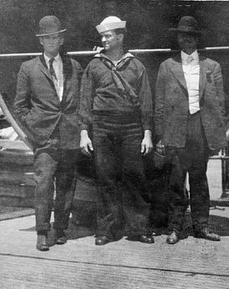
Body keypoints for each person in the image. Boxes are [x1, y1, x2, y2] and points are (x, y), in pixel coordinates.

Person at [78, 16, 154, 246]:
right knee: (106, 179)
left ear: (120, 37)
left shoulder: (136, 66)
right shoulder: (94, 65)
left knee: (134, 178)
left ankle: (138, 228)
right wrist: (84, 132)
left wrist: (147, 133)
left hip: (131, 128)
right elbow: (85, 100)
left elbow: (146, 101)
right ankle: (106, 230)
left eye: (108, 36)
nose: (103, 39)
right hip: (102, 128)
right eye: (102, 36)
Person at [154, 16, 226, 244]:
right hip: (176, 131)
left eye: (191, 36)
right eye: (183, 36)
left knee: (199, 180)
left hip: (200, 130)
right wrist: (161, 136)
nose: (187, 40)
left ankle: (201, 226)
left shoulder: (211, 67)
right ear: (178, 38)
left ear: (197, 39)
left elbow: (220, 104)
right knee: (176, 181)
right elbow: (160, 105)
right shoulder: (168, 66)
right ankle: (175, 227)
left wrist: (216, 133)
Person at [14, 15, 82, 251]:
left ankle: (60, 229)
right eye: (47, 38)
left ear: (61, 39)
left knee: (66, 184)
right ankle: (42, 232)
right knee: (44, 184)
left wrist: (79, 128)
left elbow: (80, 101)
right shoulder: (28, 68)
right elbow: (20, 106)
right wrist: (35, 127)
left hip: (69, 136)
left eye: (56, 37)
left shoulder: (74, 66)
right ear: (41, 41)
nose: (52, 41)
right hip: (45, 137)